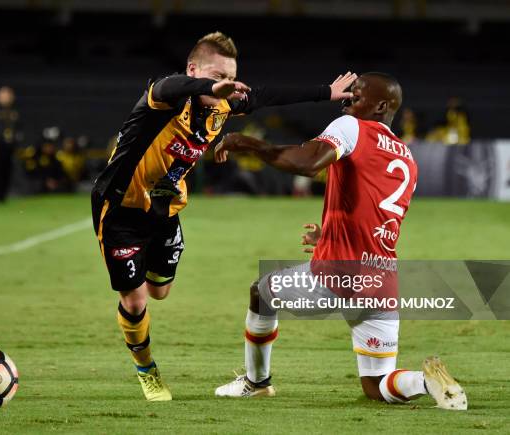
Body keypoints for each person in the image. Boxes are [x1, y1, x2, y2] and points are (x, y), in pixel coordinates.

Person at [90, 31, 356, 401]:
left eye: (229, 77)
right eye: (217, 77)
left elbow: (266, 96)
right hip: (120, 210)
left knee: (160, 291)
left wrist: (325, 92)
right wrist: (209, 87)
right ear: (193, 69)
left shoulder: (222, 104)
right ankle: (147, 370)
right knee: (136, 301)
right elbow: (170, 86)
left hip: (165, 208)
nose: (225, 86)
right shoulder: (163, 97)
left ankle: (148, 286)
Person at [214, 72, 467, 411]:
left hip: (338, 276)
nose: (347, 99)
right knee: (376, 386)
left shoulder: (351, 127)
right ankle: (427, 382)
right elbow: (378, 216)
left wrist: (248, 143)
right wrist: (329, 235)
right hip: (381, 282)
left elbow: (307, 163)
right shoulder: (408, 158)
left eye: (356, 95)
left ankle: (256, 383)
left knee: (260, 293)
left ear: (379, 105)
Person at [0, 86, 22, 201]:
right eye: (3, 96)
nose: (6, 98)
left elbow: (19, 128)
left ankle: (3, 194)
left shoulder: (14, 112)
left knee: (8, 169)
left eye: (8, 96)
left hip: (10, 146)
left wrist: (16, 139)